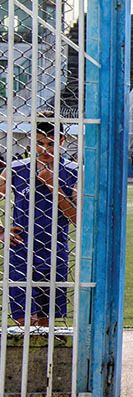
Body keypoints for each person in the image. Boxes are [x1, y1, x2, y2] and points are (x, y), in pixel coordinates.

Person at [0, 110, 77, 327]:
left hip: (55, 252)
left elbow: (78, 219)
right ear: (31, 140)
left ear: (62, 140)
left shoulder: (73, 172)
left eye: (51, 143)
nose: (45, 149)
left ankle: (45, 361)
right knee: (24, 321)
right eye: (40, 142)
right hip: (21, 252)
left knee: (46, 323)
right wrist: (1, 231)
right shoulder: (16, 170)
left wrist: (55, 188)